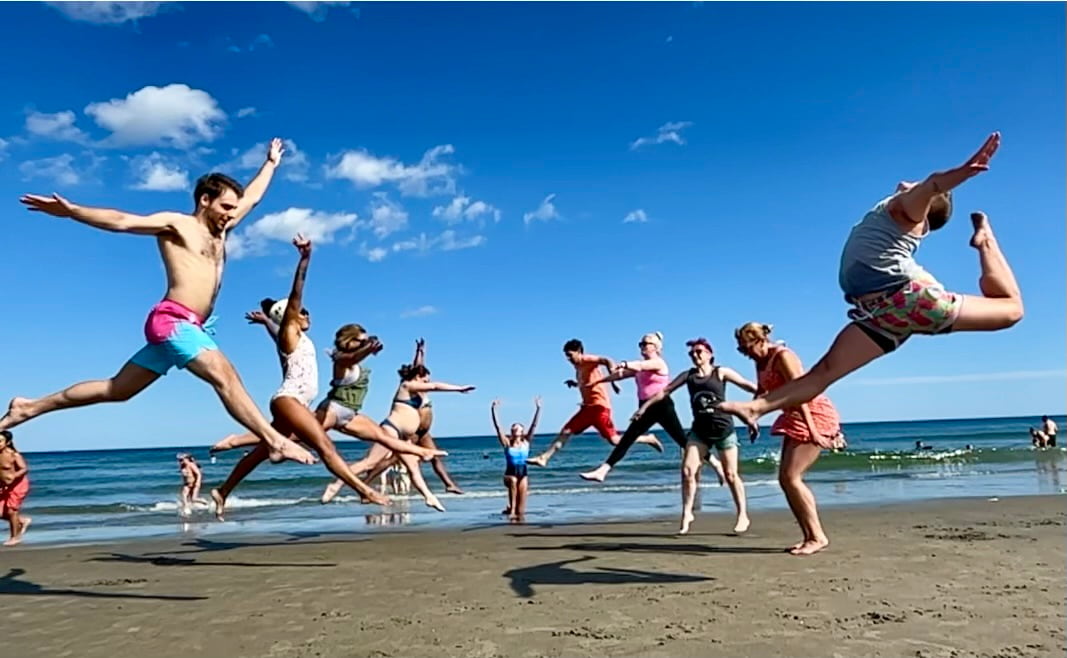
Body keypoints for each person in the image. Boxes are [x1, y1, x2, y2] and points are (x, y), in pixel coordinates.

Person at [3, 140, 314, 466]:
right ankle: (274, 441)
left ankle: (30, 407)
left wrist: (271, 164)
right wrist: (72, 211)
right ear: (205, 200)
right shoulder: (178, 224)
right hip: (172, 321)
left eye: (232, 211)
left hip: (191, 327)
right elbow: (122, 221)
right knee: (226, 375)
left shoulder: (222, 230)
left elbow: (252, 197)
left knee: (117, 390)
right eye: (224, 208)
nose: (229, 216)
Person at [720, 134, 1023, 436]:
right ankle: (757, 408)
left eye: (915, 185)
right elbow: (930, 187)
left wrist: (964, 171)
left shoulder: (906, 210)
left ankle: (985, 241)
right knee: (823, 372)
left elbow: (932, 184)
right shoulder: (898, 215)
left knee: (1012, 309)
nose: (908, 181)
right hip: (881, 313)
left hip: (905, 301)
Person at [211, 236, 390, 521]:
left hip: (295, 403)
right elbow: (296, 295)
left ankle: (223, 491)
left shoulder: (293, 338)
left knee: (262, 451)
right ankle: (363, 491)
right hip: (288, 400)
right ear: (291, 316)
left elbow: (276, 330)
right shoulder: (291, 331)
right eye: (301, 312)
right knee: (324, 446)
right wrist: (304, 259)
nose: (307, 314)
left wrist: (264, 322)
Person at [209, 321, 443, 464]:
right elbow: (353, 356)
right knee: (292, 436)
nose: (364, 343)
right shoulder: (341, 360)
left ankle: (421, 452)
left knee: (383, 437)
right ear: (350, 341)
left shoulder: (357, 360)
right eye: (360, 340)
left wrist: (378, 349)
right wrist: (368, 349)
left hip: (350, 414)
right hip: (330, 410)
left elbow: (407, 370)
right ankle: (236, 440)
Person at [627, 338, 757, 534]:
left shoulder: (720, 372)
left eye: (699, 352)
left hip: (724, 430)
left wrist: (768, 396)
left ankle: (742, 515)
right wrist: (644, 408)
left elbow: (747, 385)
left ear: (709, 354)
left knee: (731, 475)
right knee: (688, 471)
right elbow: (665, 391)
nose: (695, 355)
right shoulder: (688, 376)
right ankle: (687, 513)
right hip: (699, 432)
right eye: (692, 353)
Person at [734, 323, 843, 555]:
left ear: (761, 340)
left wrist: (813, 431)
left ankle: (817, 537)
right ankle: (810, 536)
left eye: (748, 348)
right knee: (785, 479)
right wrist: (752, 418)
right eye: (742, 350)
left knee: (790, 477)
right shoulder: (760, 361)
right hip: (792, 415)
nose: (747, 354)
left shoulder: (783, 356)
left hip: (813, 413)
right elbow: (761, 392)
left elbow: (803, 392)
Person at [320, 363, 475, 511]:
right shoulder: (406, 386)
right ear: (417, 377)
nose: (428, 382)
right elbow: (435, 386)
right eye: (425, 379)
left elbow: (428, 384)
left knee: (413, 467)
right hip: (391, 431)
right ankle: (336, 484)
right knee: (369, 463)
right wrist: (458, 388)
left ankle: (429, 497)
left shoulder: (416, 390)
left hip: (403, 437)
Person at [580, 332, 711, 483]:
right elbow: (620, 374)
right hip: (645, 406)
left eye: (645, 344)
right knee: (627, 439)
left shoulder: (659, 363)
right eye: (640, 344)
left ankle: (713, 461)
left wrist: (624, 363)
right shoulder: (639, 368)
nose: (642, 347)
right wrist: (598, 382)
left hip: (662, 405)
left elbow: (641, 365)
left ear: (655, 347)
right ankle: (603, 471)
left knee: (681, 439)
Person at [529, 339, 661, 467]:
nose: (569, 359)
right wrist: (575, 384)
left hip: (599, 408)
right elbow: (589, 384)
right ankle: (544, 458)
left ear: (579, 351)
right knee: (566, 431)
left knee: (615, 440)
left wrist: (613, 379)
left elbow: (606, 360)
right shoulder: (578, 369)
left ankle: (648, 438)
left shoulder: (587, 360)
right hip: (587, 408)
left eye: (570, 355)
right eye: (566, 356)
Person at [492, 397, 541, 521]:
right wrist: (494, 410)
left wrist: (538, 409)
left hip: (523, 474)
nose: (515, 429)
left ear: (522, 431)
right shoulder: (507, 443)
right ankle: (511, 511)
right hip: (509, 475)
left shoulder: (526, 442)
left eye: (517, 428)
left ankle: (513, 510)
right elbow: (498, 428)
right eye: (513, 428)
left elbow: (534, 426)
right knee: (513, 481)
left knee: (522, 512)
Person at [0, 431, 30, 546]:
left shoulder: (14, 455)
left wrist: (14, 476)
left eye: (0, 441)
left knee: (11, 510)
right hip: (5, 486)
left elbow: (24, 469)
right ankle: (22, 521)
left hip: (18, 485)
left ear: (7, 442)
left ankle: (15, 537)